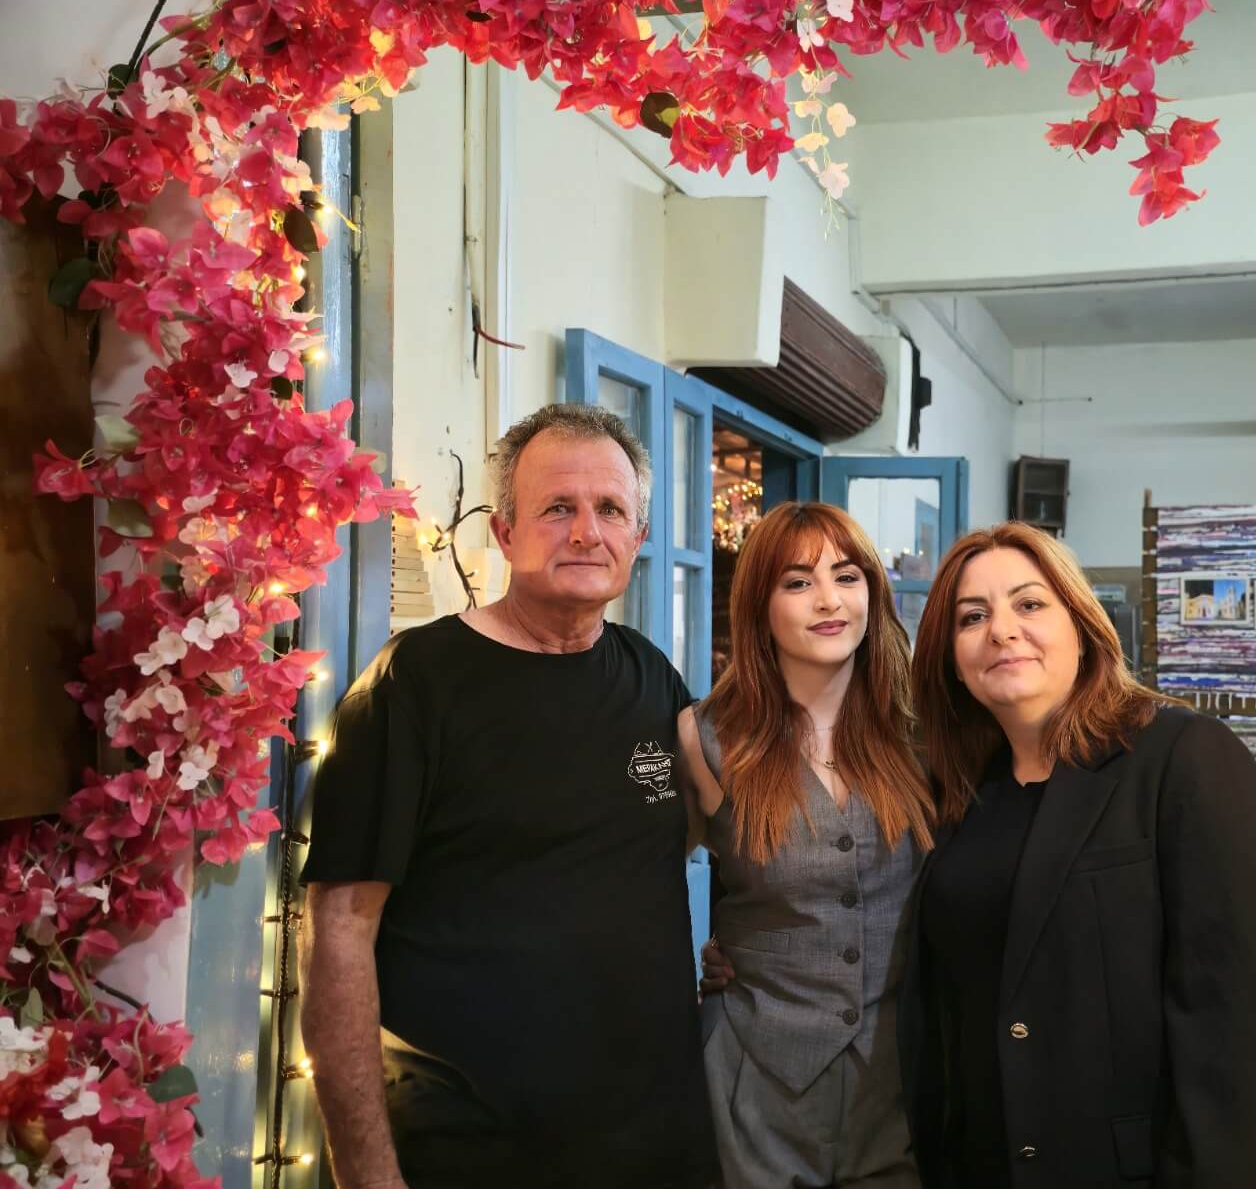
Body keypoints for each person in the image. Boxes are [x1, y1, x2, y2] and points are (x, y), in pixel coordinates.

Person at [298, 403, 718, 1188]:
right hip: (470, 1151)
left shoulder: (651, 676)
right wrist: (368, 1176)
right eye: (557, 507)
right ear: (505, 532)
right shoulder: (413, 685)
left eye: (610, 509)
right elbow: (339, 932)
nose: (586, 532)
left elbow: (677, 839)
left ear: (637, 538)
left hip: (656, 1143)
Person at [898, 522, 1256, 1188]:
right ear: (950, 657)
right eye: (972, 617)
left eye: (1029, 604)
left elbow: (1233, 1027)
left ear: (1081, 626)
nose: (1001, 631)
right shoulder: (960, 789)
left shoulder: (1183, 757)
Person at [677, 501, 934, 1189]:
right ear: (759, 606)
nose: (828, 600)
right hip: (755, 1082)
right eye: (797, 582)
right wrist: (691, 961)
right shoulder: (704, 738)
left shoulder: (921, 734)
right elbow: (635, 886)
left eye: (847, 577)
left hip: (899, 1085)